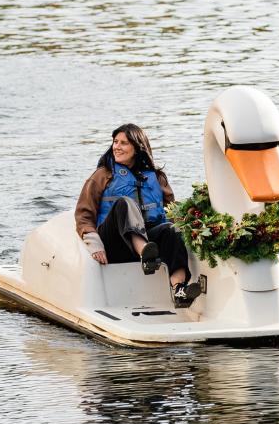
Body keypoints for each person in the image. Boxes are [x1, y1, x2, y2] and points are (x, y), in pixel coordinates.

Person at [75, 123, 201, 308]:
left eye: (123, 143)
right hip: (116, 243)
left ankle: (178, 289)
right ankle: (146, 254)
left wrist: (194, 218)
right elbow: (84, 214)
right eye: (115, 142)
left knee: (171, 230)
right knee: (124, 203)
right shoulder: (102, 175)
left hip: (151, 243)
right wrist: (93, 243)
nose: (117, 147)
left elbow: (173, 212)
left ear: (137, 147)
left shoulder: (157, 177)